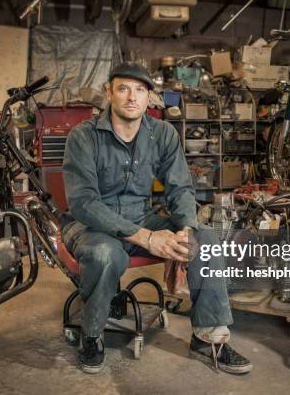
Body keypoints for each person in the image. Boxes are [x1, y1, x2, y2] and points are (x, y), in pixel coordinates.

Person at [61, 61, 252, 374]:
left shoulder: (162, 134)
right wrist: (147, 237)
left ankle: (207, 338)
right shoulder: (83, 137)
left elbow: (180, 188)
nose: (132, 97)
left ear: (149, 97)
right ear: (109, 92)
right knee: (105, 254)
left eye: (140, 90)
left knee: (205, 239)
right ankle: (92, 334)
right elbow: (84, 203)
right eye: (123, 88)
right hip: (91, 225)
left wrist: (186, 229)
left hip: (142, 216)